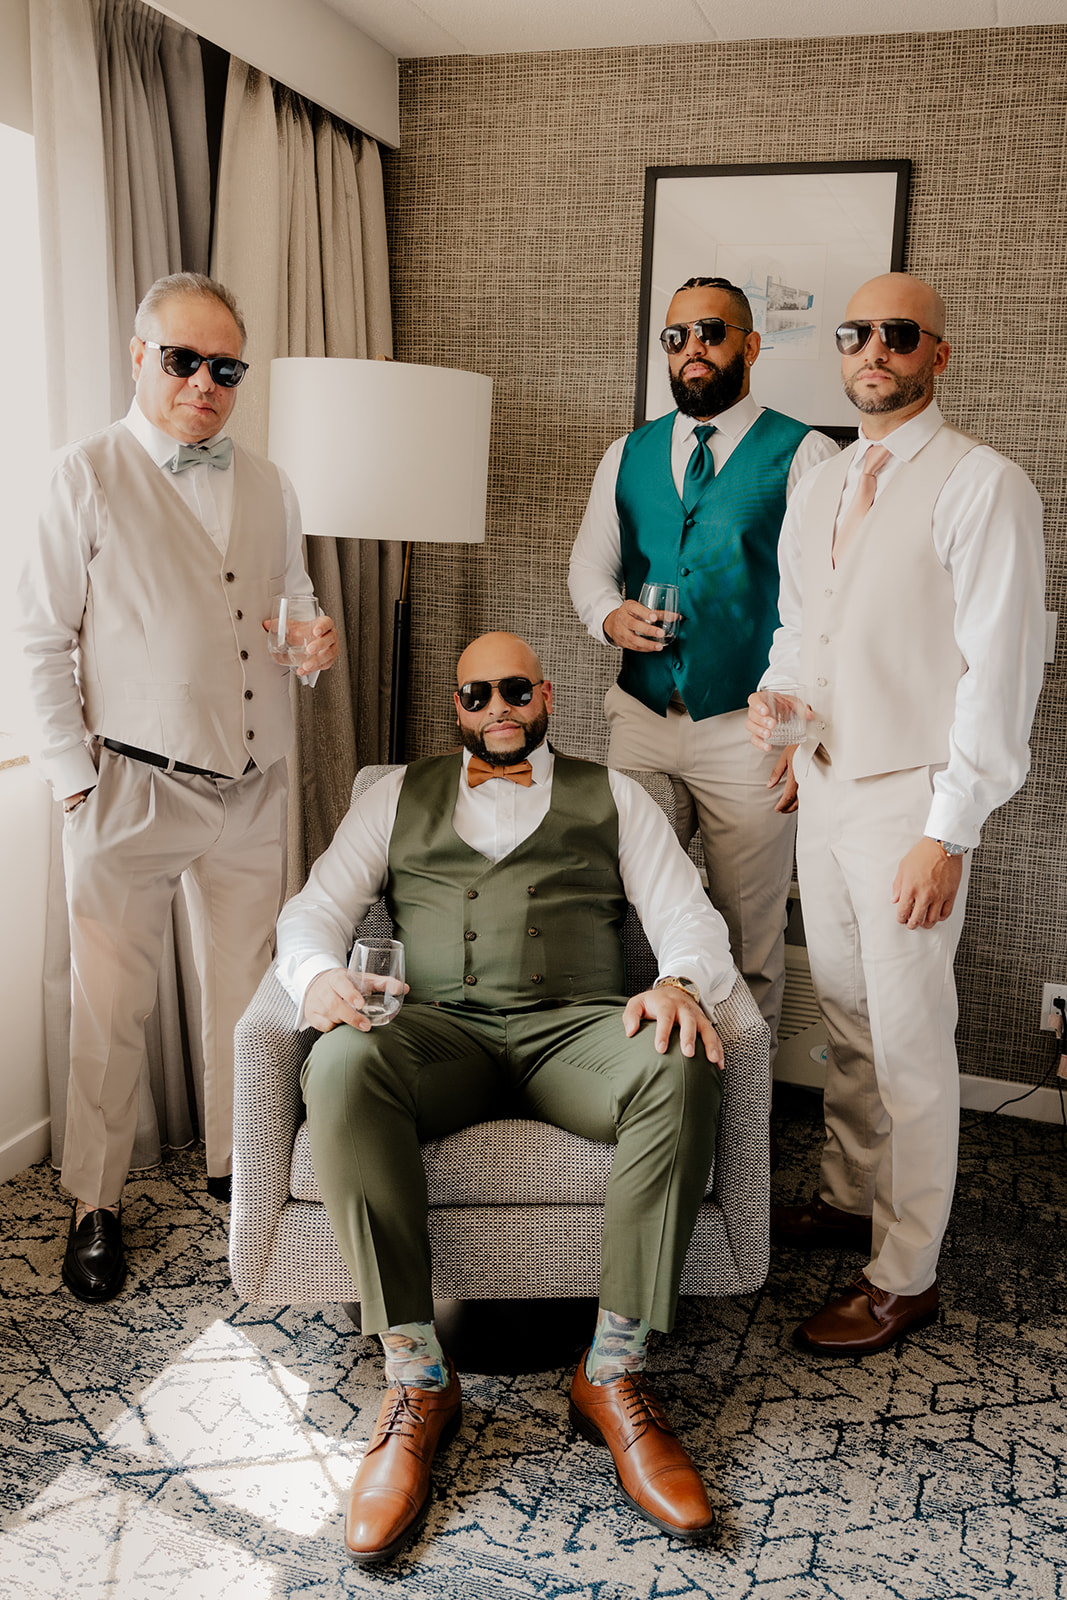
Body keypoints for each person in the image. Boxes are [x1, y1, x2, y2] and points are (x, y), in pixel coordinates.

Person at [275, 630, 736, 1565]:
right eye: (475, 697)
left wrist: (679, 981)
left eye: (513, 691)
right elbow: (312, 909)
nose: (496, 712)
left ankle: (611, 1372)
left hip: (574, 1032)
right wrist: (319, 975)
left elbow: (688, 914)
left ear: (547, 696)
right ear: (456, 709)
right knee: (337, 1062)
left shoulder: (616, 795)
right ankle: (415, 1380)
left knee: (681, 1060)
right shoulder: (394, 795)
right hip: (437, 1033)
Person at [18, 272, 339, 1304]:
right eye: (183, 360)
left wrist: (314, 644)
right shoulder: (84, 473)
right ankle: (96, 1202)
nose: (205, 383)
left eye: (225, 368)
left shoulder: (272, 481)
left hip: (250, 782)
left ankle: (238, 1166)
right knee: (110, 1007)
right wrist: (76, 785)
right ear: (138, 355)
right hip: (129, 787)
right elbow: (35, 639)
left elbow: (292, 607)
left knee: (250, 993)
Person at [747, 272, 1045, 1355]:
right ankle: (843, 1190)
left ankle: (901, 1272)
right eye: (855, 332)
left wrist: (947, 829)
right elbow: (797, 627)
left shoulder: (982, 485)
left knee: (911, 1040)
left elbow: (996, 674)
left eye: (897, 333)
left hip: (912, 799)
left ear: (936, 353)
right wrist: (784, 717)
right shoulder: (820, 481)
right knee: (843, 1015)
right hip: (821, 784)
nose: (872, 348)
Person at [569, 275, 837, 1054]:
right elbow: (590, 568)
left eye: (711, 334)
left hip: (744, 733)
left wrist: (801, 726)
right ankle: (638, 1083)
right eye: (676, 337)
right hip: (641, 720)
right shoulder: (627, 452)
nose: (692, 350)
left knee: (749, 930)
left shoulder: (806, 453)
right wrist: (608, 615)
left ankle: (740, 1123)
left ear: (750, 346)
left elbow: (825, 605)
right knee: (621, 908)